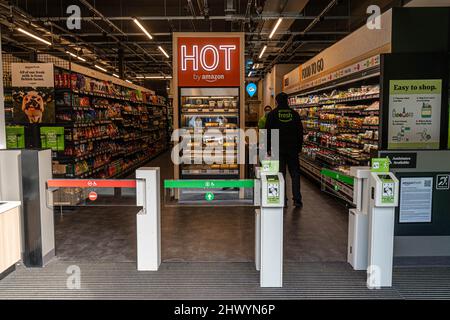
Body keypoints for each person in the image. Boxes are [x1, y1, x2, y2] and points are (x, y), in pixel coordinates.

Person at [265, 92, 303, 208]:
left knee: (281, 174)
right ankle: (297, 200)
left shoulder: (272, 114)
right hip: (292, 148)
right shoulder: (295, 114)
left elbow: (268, 132)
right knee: (295, 174)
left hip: (277, 147)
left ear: (276, 101)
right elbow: (300, 132)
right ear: (287, 101)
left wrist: (267, 148)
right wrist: (299, 147)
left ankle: (283, 199)